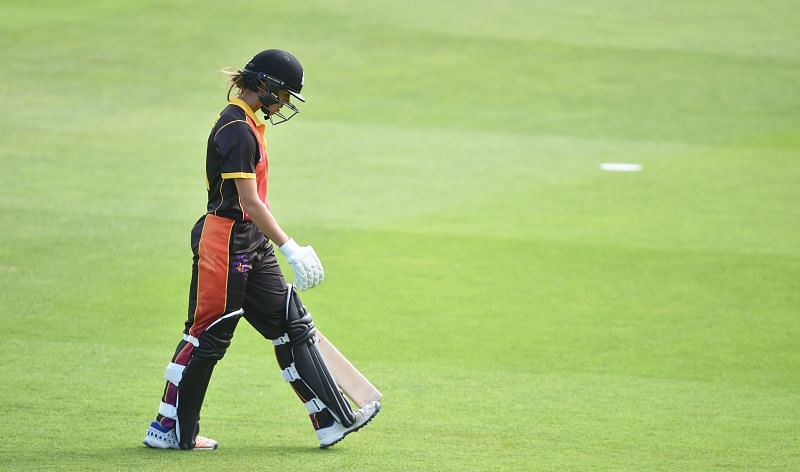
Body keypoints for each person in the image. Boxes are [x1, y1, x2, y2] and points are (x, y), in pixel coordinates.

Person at [142, 49, 380, 451]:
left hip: (251, 240)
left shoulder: (250, 125)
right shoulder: (234, 128)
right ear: (264, 85)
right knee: (208, 336)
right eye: (283, 93)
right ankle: (168, 428)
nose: (284, 103)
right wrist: (290, 247)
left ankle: (331, 420)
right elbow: (249, 201)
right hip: (225, 239)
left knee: (291, 323)